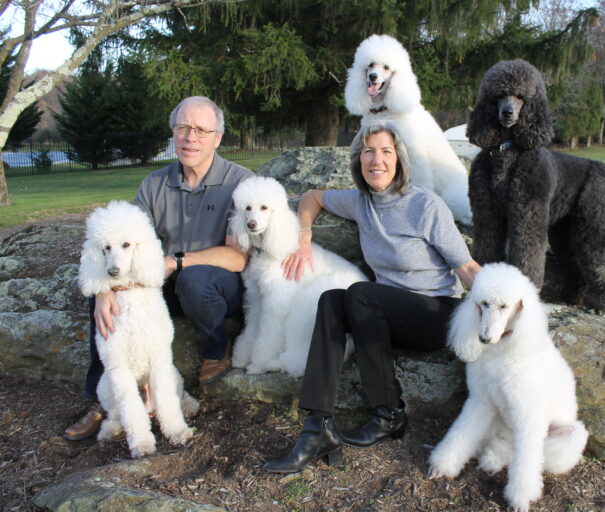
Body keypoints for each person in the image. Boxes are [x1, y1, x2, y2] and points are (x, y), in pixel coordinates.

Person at [264, 121, 481, 473]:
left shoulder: (425, 206)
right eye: (368, 151)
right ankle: (316, 427)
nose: (376, 160)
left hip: (436, 313)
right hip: (385, 314)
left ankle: (389, 414)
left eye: (386, 151)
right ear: (358, 159)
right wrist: (303, 237)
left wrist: (504, 306)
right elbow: (312, 197)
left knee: (360, 295)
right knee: (332, 301)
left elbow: (467, 267)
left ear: (399, 160)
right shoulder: (360, 202)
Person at [63, 96, 252, 441]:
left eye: (200, 130)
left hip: (218, 286)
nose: (189, 137)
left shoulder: (239, 181)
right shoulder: (153, 184)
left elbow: (238, 257)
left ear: (217, 137)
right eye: (182, 128)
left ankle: (215, 348)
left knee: (193, 279)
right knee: (103, 298)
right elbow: (121, 241)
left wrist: (177, 260)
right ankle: (103, 401)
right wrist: (105, 288)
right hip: (158, 284)